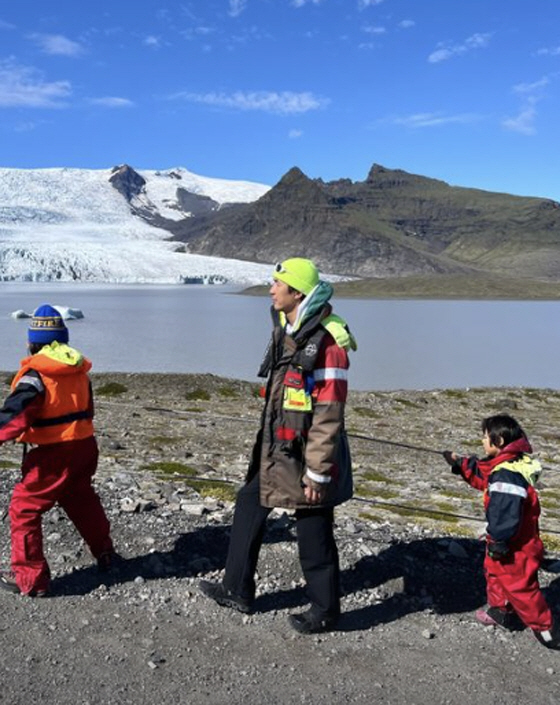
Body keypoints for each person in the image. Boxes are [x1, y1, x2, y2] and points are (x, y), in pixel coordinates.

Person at [200, 258, 356, 633]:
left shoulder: (327, 343)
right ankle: (236, 588)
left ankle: (325, 611)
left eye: (277, 283)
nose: (270, 289)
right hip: (279, 450)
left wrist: (318, 473)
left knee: (313, 527)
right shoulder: (289, 329)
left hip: (306, 456)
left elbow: (328, 412)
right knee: (249, 502)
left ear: (297, 291)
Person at [0, 304, 115, 597]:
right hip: (84, 447)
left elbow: (14, 418)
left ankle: (31, 580)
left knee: (24, 509)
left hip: (53, 453)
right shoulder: (78, 370)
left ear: (33, 341)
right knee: (81, 498)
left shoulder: (36, 376)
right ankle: (106, 553)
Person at [443, 414, 559, 649]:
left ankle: (547, 629)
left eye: (486, 437)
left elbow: (505, 513)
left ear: (500, 441)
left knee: (520, 586)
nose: (483, 441)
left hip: (515, 545)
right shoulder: (507, 463)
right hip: (507, 541)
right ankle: (501, 612)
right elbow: (483, 473)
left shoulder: (507, 475)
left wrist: (498, 539)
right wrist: (459, 463)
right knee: (494, 573)